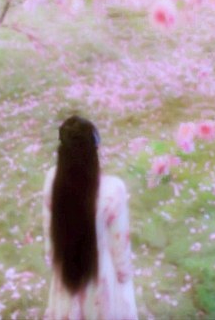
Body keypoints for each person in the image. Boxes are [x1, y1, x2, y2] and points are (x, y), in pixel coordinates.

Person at [43, 115, 138, 320]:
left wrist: (53, 259)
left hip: (66, 274)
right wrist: (123, 278)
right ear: (94, 152)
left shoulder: (53, 180)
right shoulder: (113, 190)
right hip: (100, 279)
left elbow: (49, 229)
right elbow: (120, 247)